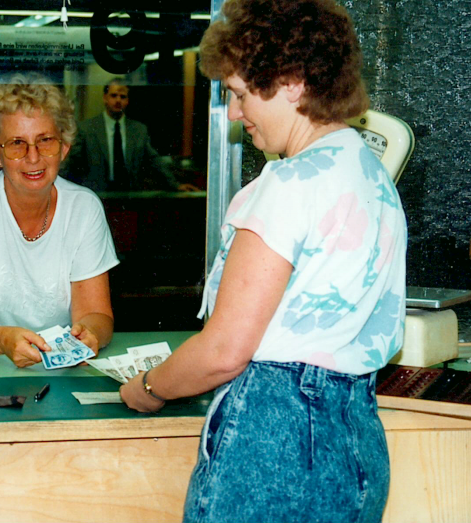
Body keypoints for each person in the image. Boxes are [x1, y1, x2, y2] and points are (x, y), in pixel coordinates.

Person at [120, 1, 407, 521]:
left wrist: (148, 388)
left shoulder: (289, 183)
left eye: (239, 94)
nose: (234, 113)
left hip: (274, 444)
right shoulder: (371, 175)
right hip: (357, 437)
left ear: (292, 82)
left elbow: (224, 351)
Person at [0, 74, 119, 368]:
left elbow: (97, 314)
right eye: (17, 143)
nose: (33, 157)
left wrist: (90, 334)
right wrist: (1, 340)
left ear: (64, 147)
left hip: (60, 373)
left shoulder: (84, 208)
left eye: (45, 141)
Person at [63, 79, 198, 192]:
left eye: (123, 97)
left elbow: (154, 160)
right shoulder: (87, 128)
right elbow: (71, 163)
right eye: (113, 95)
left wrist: (175, 185)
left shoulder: (139, 130)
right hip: (98, 195)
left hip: (130, 196)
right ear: (105, 98)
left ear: (128, 101)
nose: (118, 100)